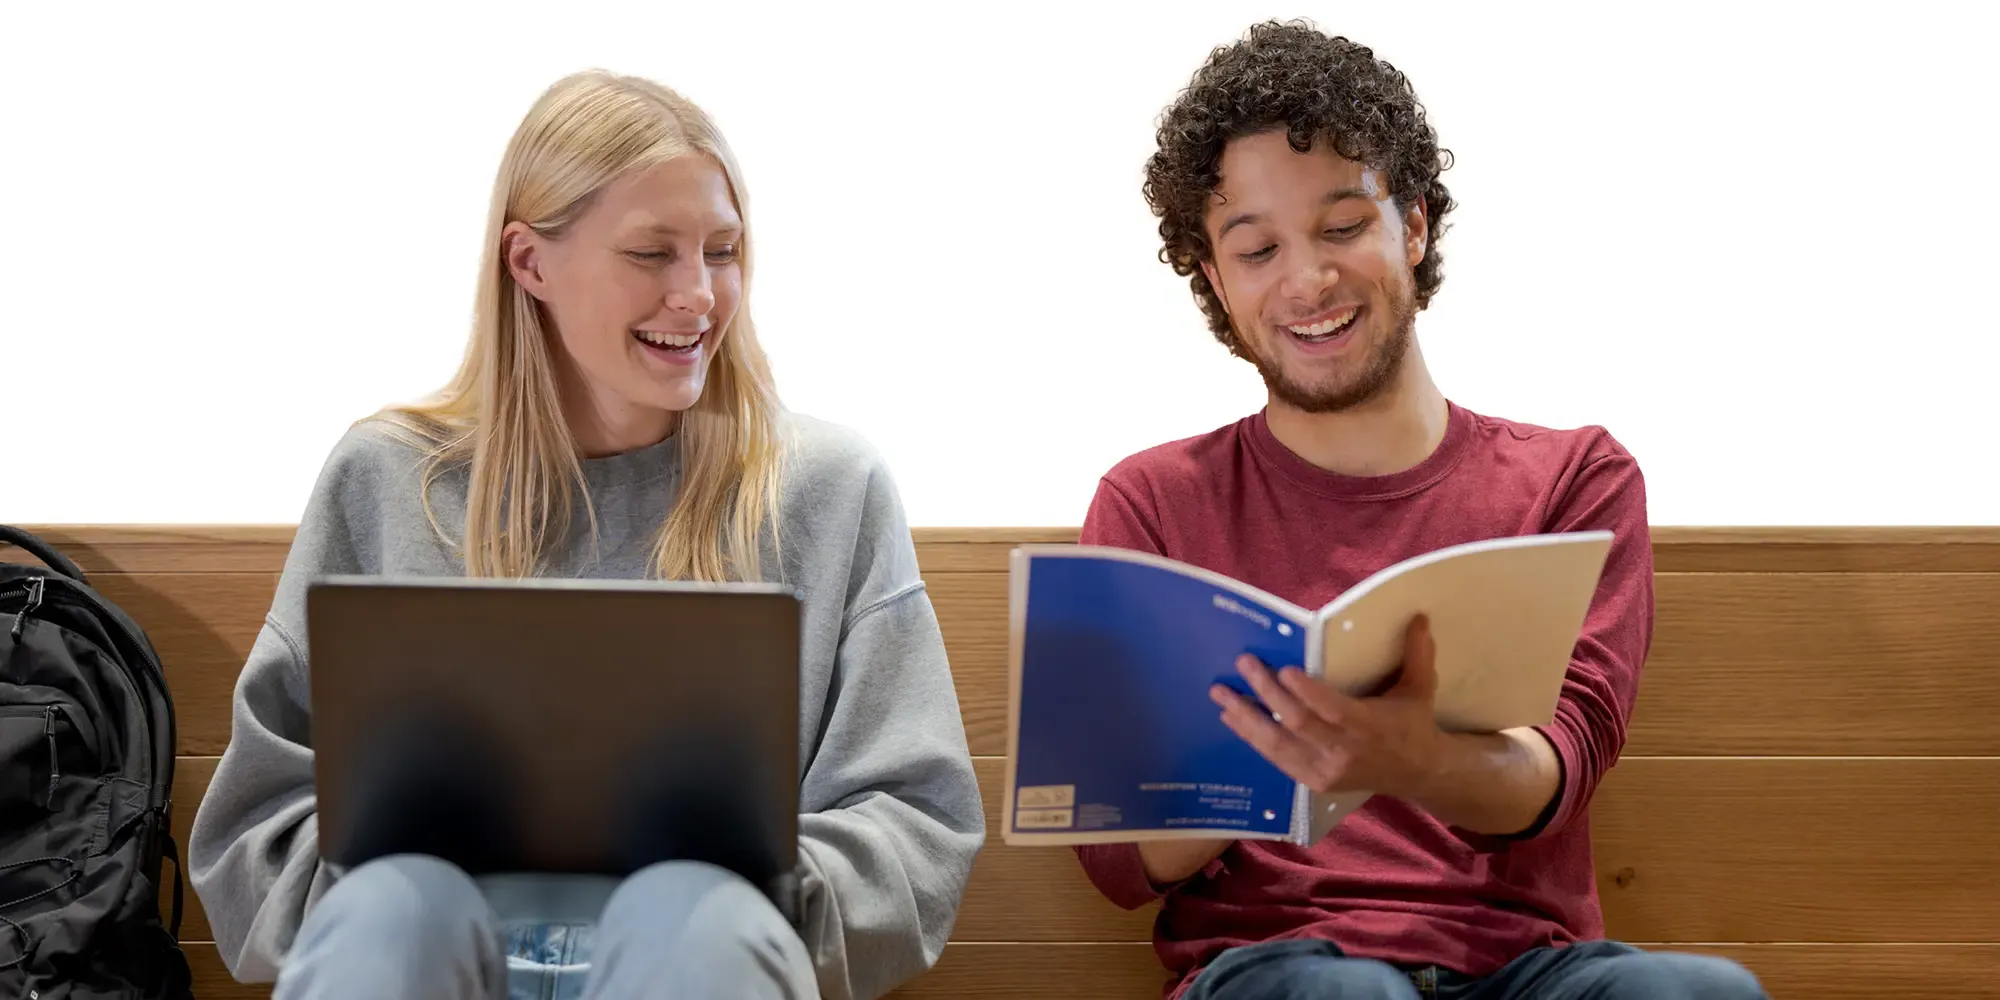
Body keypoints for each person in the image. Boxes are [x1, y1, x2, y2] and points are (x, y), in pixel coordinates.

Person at [187, 70, 984, 1000]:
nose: (698, 295)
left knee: (696, 917)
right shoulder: (384, 481)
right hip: (424, 966)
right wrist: (413, 894)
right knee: (393, 912)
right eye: (651, 253)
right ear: (528, 263)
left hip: (701, 970)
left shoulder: (829, 489)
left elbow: (917, 822)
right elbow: (256, 832)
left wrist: (748, 896)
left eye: (722, 251)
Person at [1072, 21, 1767, 1000]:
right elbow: (1118, 862)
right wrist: (1283, 758)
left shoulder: (1574, 479)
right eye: (1255, 247)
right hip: (1282, 970)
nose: (1306, 280)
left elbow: (1558, 768)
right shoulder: (1151, 506)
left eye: (1343, 227)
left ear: (1414, 223)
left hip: (1522, 970)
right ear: (1214, 280)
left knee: (1702, 995)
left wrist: (1410, 757)